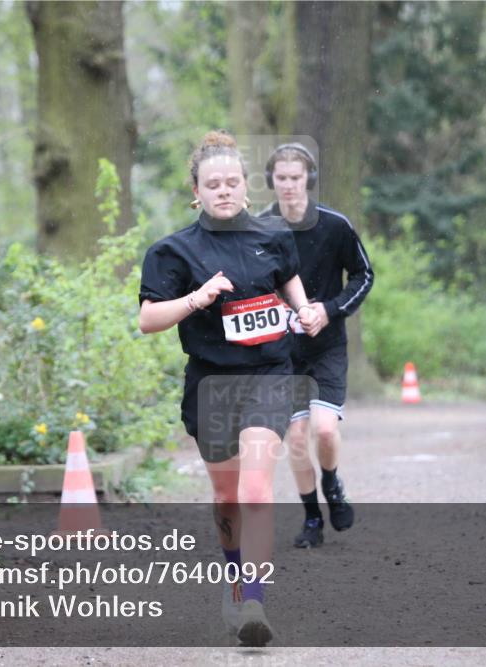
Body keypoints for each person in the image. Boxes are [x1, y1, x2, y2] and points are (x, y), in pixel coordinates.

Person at [138, 131, 319, 646]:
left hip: (268, 373)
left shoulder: (274, 234)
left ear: (245, 186)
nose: (223, 190)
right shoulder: (173, 250)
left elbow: (288, 279)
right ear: (196, 190)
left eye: (232, 182)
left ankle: (255, 600)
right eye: (212, 184)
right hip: (211, 382)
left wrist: (303, 309)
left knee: (256, 489)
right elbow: (148, 319)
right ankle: (236, 576)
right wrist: (197, 298)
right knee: (225, 494)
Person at [261, 143, 374, 548]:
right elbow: (250, 283)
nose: (288, 185)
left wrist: (328, 310)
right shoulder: (260, 228)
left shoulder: (335, 225)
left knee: (324, 431)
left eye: (295, 178)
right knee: (295, 437)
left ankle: (331, 482)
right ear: (271, 180)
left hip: (326, 344)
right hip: (283, 351)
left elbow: (363, 275)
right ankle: (311, 518)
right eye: (281, 178)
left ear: (308, 179)